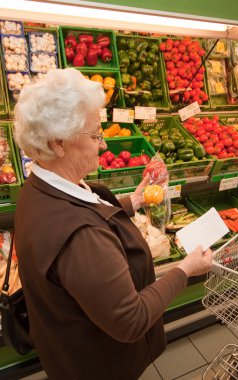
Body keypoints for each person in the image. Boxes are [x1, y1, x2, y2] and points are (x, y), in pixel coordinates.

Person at [14, 68, 213, 380]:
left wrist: (133, 202)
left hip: (65, 347)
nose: (104, 145)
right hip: (97, 366)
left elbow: (83, 206)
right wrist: (185, 270)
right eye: (95, 135)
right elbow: (130, 320)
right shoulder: (79, 237)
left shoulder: (41, 183)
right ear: (57, 144)